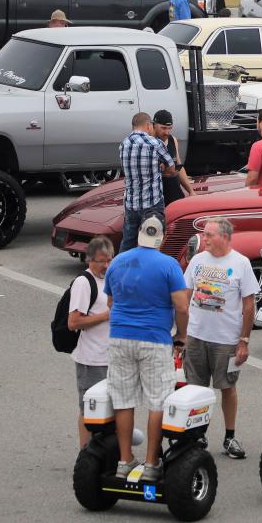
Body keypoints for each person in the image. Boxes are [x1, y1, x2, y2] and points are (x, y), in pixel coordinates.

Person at [104, 215, 189, 481]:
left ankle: (124, 459)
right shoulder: (169, 265)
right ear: (160, 238)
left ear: (139, 234)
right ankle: (152, 464)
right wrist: (181, 335)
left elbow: (110, 303)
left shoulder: (117, 261)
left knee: (124, 400)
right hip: (154, 338)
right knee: (158, 401)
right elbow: (182, 306)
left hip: (120, 336)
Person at [183, 217, 257, 460]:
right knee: (195, 388)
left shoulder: (241, 263)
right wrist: (181, 334)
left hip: (226, 340)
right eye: (204, 235)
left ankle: (229, 436)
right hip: (196, 336)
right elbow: (186, 296)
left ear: (224, 237)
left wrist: (243, 340)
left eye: (208, 235)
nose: (203, 239)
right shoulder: (197, 260)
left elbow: (249, 305)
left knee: (227, 387)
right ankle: (197, 434)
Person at [69, 235, 112, 448]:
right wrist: (105, 316)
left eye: (109, 260)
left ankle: (102, 452)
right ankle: (86, 456)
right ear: (89, 260)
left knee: (109, 409)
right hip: (91, 360)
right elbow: (74, 322)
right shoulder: (83, 283)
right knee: (89, 409)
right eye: (101, 261)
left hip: (111, 358)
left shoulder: (111, 279)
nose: (106, 265)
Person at [118, 113, 176, 253]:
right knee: (152, 243)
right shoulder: (154, 143)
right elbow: (172, 168)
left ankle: (121, 269)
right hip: (152, 204)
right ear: (148, 125)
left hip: (131, 204)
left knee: (128, 243)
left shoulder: (124, 144)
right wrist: (160, 168)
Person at [151, 109, 195, 206]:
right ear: (154, 125)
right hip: (158, 194)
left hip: (174, 190)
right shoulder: (148, 143)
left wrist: (191, 191)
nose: (167, 132)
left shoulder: (172, 140)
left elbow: (178, 167)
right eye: (163, 128)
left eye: (169, 128)